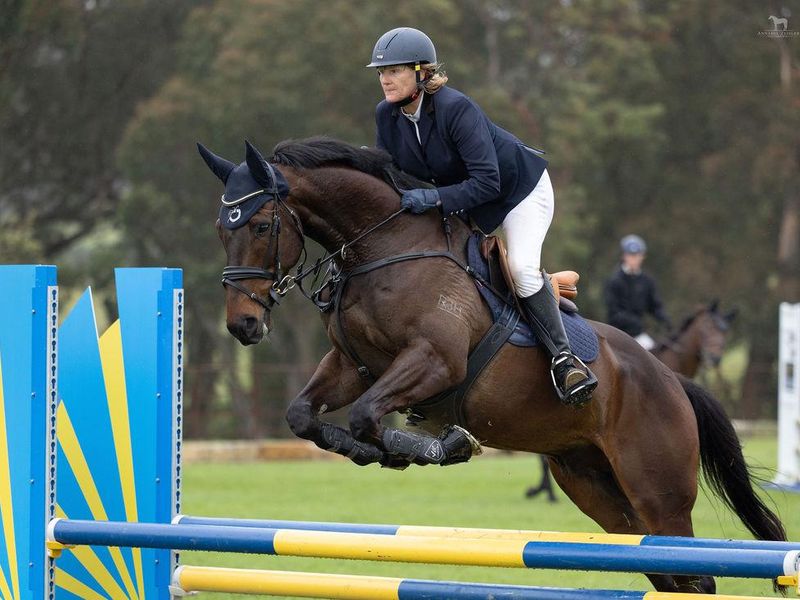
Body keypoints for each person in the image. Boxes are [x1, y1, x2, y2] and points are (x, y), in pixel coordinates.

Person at [367, 27, 596, 407]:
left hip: (518, 192)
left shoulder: (456, 108)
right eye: (381, 72)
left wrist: (434, 197)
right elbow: (389, 173)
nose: (385, 79)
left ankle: (563, 360)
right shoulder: (387, 116)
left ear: (422, 73)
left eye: (395, 70)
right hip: (466, 200)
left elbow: (488, 182)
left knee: (521, 269)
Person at [604, 234, 672, 350]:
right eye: (631, 255)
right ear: (624, 256)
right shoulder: (614, 281)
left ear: (643, 256)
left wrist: (666, 321)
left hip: (638, 334)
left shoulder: (647, 281)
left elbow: (655, 306)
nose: (634, 259)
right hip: (617, 334)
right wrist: (635, 322)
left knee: (656, 355)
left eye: (637, 255)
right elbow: (614, 313)